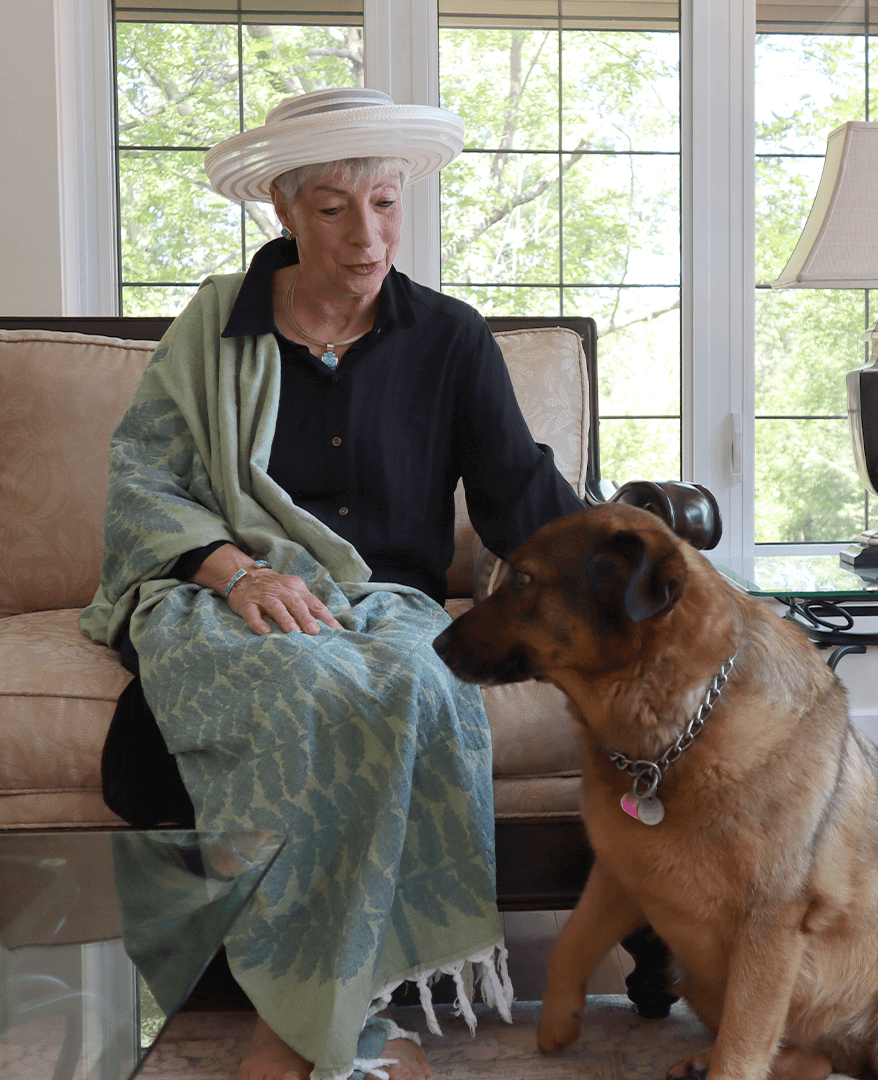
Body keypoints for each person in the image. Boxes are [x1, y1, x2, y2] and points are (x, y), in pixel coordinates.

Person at [80, 87, 584, 1080]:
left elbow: (520, 495)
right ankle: (346, 1031)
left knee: (422, 687)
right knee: (308, 686)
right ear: (282, 207)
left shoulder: (450, 338)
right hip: (224, 591)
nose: (367, 237)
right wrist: (229, 569)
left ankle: (299, 1029)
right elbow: (143, 478)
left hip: (387, 599)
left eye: (387, 204)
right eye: (334, 209)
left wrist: (638, 576)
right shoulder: (215, 327)